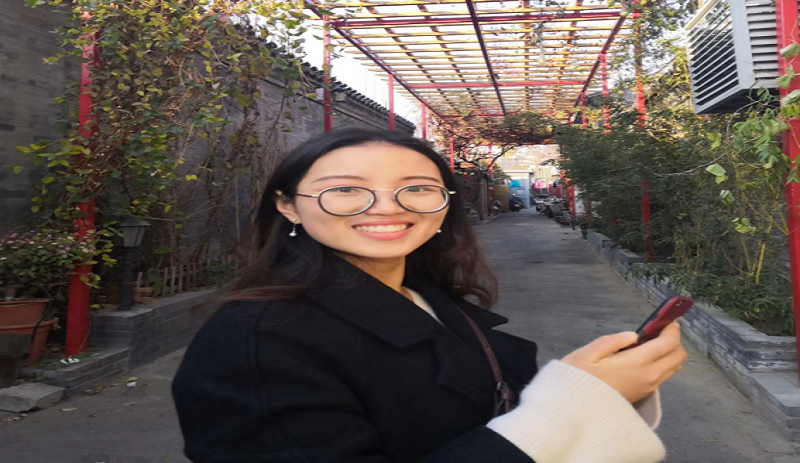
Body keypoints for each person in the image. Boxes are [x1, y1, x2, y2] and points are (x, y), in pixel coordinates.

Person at [172, 127, 686, 463]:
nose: (386, 207)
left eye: (417, 187)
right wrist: (568, 404)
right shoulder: (256, 341)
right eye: (346, 189)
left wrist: (607, 390)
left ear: (444, 205)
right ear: (288, 206)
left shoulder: (426, 296)